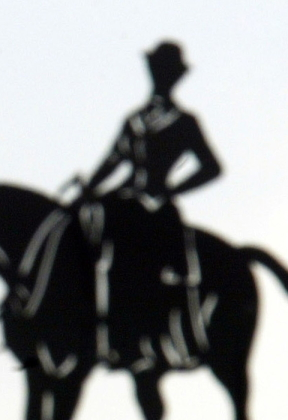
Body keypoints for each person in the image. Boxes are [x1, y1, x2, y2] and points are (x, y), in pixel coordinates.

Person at [81, 42, 222, 364]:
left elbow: (211, 167)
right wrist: (89, 187)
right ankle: (110, 334)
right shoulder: (135, 120)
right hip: (127, 201)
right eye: (156, 70)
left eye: (165, 71)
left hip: (159, 205)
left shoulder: (184, 121)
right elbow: (114, 159)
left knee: (170, 270)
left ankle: (176, 335)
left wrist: (172, 190)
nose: (160, 76)